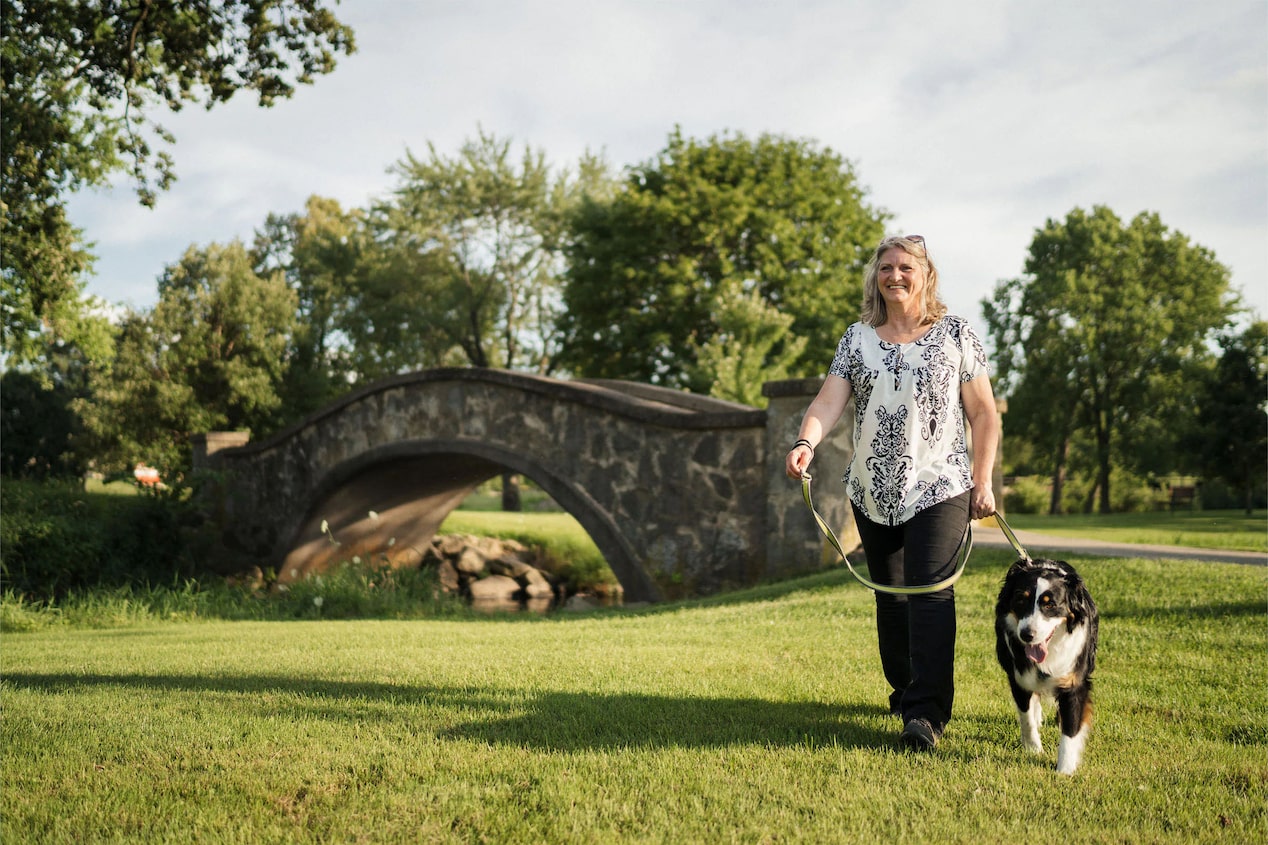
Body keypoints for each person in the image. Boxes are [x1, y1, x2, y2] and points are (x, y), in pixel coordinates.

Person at [784, 234, 999, 752]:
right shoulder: (856, 339)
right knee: (893, 599)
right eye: (886, 267)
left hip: (940, 482)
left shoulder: (955, 334)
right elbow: (829, 400)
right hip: (873, 490)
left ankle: (926, 715)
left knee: (929, 591)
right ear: (875, 277)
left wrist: (983, 478)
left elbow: (983, 412)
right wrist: (805, 442)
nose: (895, 275)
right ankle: (905, 692)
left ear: (926, 276)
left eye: (906, 267)